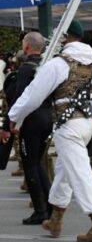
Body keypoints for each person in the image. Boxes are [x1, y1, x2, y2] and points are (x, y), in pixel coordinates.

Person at [1, 37, 92, 242]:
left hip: (68, 126)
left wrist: (13, 117)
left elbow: (32, 96)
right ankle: (56, 218)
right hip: (86, 123)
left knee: (80, 173)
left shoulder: (58, 64)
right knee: (64, 172)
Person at [7, 32, 53, 224]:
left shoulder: (26, 69)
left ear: (26, 47)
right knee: (38, 162)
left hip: (32, 121)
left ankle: (40, 210)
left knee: (30, 164)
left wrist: (10, 122)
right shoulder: (49, 65)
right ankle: (51, 206)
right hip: (47, 118)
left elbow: (20, 98)